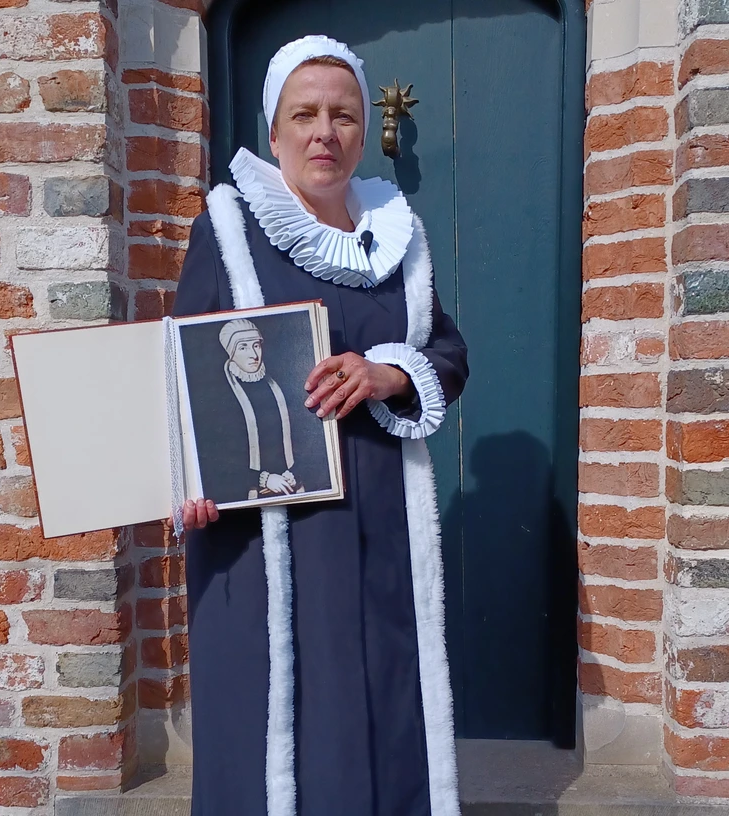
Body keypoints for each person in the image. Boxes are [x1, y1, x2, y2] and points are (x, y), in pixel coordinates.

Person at [173, 35, 469, 816]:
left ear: (364, 131)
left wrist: (386, 372)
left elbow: (447, 350)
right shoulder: (231, 226)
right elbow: (182, 372)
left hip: (378, 520)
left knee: (376, 705)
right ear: (275, 133)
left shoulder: (398, 235)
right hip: (260, 527)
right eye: (303, 114)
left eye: (342, 115)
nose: (323, 132)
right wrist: (189, 482)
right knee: (277, 724)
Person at [215, 318, 302, 502]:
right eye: (243, 347)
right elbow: (217, 457)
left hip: (290, 485)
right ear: (230, 352)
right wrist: (263, 479)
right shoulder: (220, 395)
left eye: (256, 345)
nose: (253, 355)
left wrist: (296, 473)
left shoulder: (280, 385)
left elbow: (306, 437)